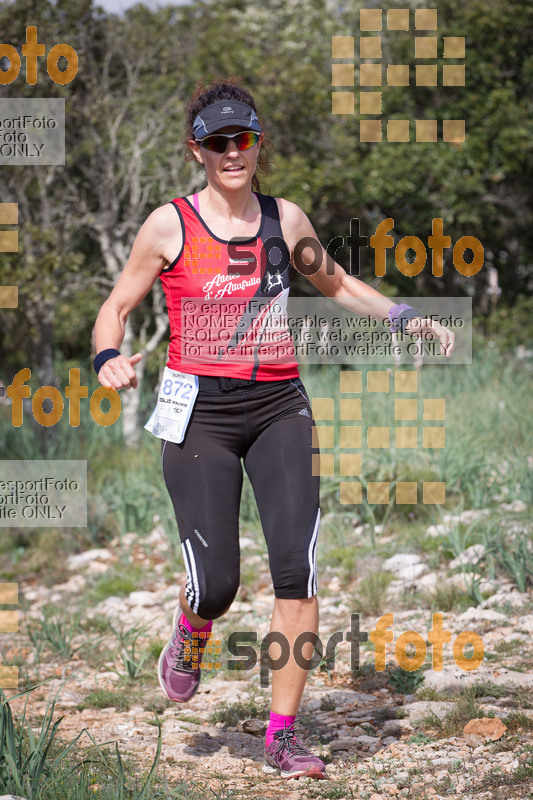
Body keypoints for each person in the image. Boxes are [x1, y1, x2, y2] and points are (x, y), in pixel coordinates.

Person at [93, 77, 455, 781]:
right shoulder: (169, 225)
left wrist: (405, 315)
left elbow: (337, 282)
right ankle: (192, 629)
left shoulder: (282, 220)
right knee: (217, 585)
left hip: (278, 407)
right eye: (218, 141)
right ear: (196, 149)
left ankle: (282, 735)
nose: (234, 152)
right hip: (199, 413)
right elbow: (117, 303)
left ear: (258, 142)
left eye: (245, 138)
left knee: (296, 572)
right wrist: (109, 355)